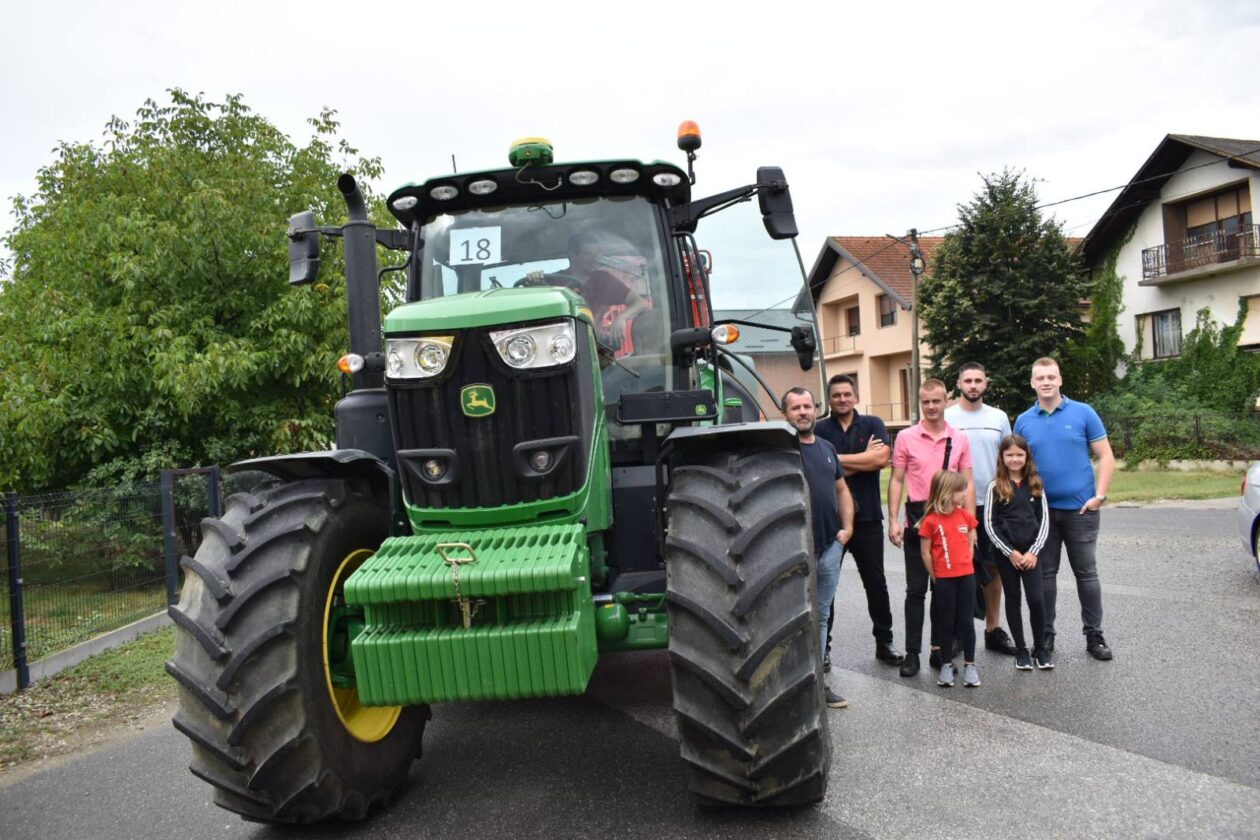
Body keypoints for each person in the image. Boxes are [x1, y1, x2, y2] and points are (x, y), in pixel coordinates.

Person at [1013, 357, 1115, 661]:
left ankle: (1094, 635)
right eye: (1040, 377)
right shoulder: (1023, 420)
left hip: (1081, 510)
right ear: (1032, 383)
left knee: (1086, 574)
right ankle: (1046, 636)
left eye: (1051, 377)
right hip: (1040, 513)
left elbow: (1105, 456)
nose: (1046, 382)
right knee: (1045, 575)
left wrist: (1100, 495)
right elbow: (1016, 464)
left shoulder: (1083, 413)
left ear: (1060, 380)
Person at [814, 374, 903, 669]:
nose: (842, 399)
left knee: (875, 583)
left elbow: (880, 461)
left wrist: (833, 461)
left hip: (867, 519)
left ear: (855, 397)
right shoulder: (818, 428)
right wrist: (861, 458)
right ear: (830, 399)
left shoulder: (873, 424)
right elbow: (818, 470)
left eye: (846, 394)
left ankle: (884, 643)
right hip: (830, 522)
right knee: (826, 587)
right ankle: (823, 649)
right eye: (836, 395)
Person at [888, 379, 975, 678]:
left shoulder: (959, 438)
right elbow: (897, 480)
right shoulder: (905, 437)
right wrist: (894, 519)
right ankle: (912, 653)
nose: (931, 406)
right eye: (926, 402)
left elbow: (968, 482)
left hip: (952, 519)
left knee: (944, 590)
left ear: (946, 400)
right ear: (920, 402)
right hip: (918, 514)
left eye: (936, 401)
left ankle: (941, 650)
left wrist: (971, 524)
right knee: (916, 590)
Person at [782, 387, 855, 709]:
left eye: (807, 406)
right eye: (795, 407)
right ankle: (791, 684)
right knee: (793, 617)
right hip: (795, 549)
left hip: (829, 547)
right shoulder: (781, 450)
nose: (802, 412)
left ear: (815, 410)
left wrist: (847, 529)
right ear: (785, 414)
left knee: (821, 615)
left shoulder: (826, 448)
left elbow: (841, 489)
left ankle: (816, 684)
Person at [944, 362, 1018, 657]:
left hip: (993, 503)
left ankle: (993, 628)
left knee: (993, 567)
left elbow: (1009, 458)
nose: (973, 385)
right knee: (956, 569)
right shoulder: (948, 417)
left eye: (978, 380)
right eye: (968, 381)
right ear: (959, 384)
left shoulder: (998, 417)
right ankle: (959, 631)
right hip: (956, 503)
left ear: (986, 383)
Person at [983, 434, 1053, 670]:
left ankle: (1040, 649)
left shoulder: (1036, 485)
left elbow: (1044, 522)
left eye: (1019, 454)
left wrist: (1033, 552)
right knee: (1013, 599)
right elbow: (990, 525)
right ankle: (1021, 650)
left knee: (1036, 599)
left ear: (1027, 457)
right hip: (1007, 557)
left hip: (1032, 556)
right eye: (1009, 455)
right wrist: (1010, 552)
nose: (1014, 459)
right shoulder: (995, 487)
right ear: (1002, 457)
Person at [917, 470, 982, 688]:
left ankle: (970, 665)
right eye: (960, 491)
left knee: (966, 622)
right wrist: (936, 576)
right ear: (946, 493)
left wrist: (966, 563)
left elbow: (971, 539)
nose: (965, 494)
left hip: (966, 578)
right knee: (945, 622)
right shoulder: (930, 521)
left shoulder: (965, 516)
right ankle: (946, 664)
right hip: (944, 579)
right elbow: (925, 553)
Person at [524, 232, 648, 344]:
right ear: (573, 255)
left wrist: (622, 317)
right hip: (560, 344)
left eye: (597, 254)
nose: (594, 259)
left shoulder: (603, 280)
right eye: (587, 254)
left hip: (595, 345)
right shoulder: (554, 281)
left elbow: (640, 303)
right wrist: (535, 282)